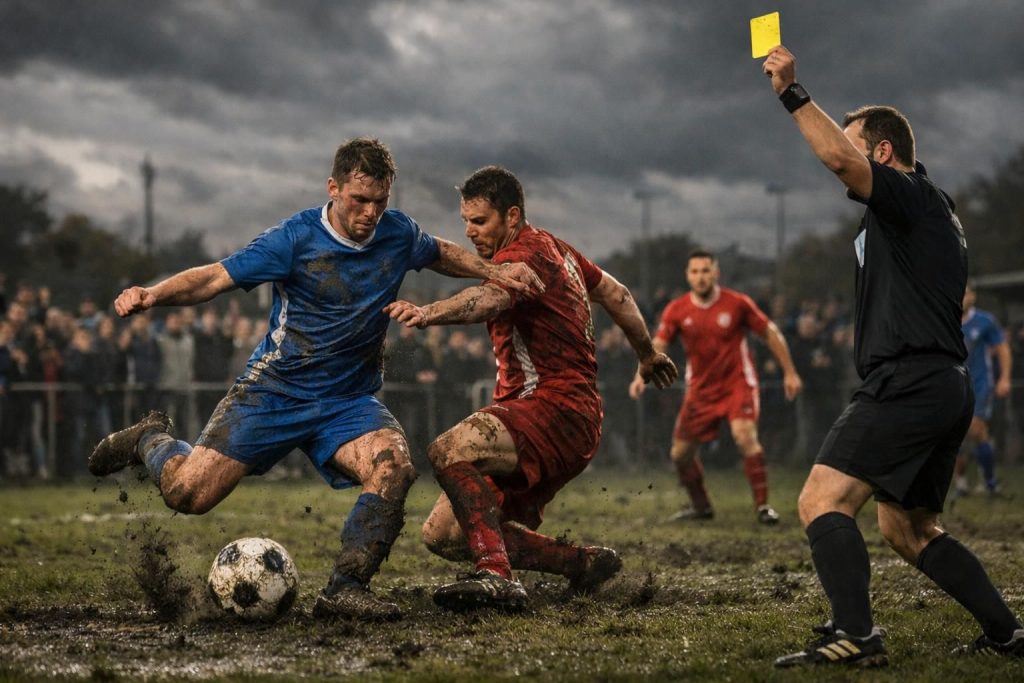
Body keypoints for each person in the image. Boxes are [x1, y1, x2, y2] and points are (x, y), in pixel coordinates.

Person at [87, 138, 541, 621]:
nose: (370, 213)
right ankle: (151, 440)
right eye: (358, 200)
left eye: (380, 202)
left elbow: (437, 252)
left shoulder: (397, 232)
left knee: (394, 467)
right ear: (334, 188)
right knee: (187, 495)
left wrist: (493, 269)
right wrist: (152, 295)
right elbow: (214, 278)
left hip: (347, 400)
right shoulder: (294, 239)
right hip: (275, 392)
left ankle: (346, 587)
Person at [763, 46, 1023, 667]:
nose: (847, 160)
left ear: (882, 152)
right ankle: (1008, 633)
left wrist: (792, 94)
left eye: (859, 148)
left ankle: (857, 635)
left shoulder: (909, 192)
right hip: (941, 382)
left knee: (820, 501)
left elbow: (836, 159)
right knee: (907, 529)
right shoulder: (916, 210)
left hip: (910, 379)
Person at [385, 165, 678, 610]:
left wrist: (429, 313)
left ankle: (497, 577)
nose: (470, 232)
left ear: (512, 216)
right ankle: (580, 564)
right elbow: (618, 294)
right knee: (442, 534)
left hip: (553, 408)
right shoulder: (560, 250)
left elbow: (492, 297)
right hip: (568, 416)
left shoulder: (525, 253)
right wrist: (647, 354)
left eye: (480, 221)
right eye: (465, 222)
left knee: (450, 450)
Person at [628, 249, 802, 525]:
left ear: (716, 273)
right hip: (700, 391)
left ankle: (763, 506)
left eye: (706, 270)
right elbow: (659, 345)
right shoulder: (677, 309)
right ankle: (701, 507)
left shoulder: (737, 304)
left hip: (738, 384)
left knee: (744, 436)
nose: (701, 277)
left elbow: (770, 333)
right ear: (688, 275)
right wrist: (641, 376)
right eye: (695, 271)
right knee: (680, 455)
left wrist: (790, 372)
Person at [954, 282, 1012, 497]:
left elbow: (1002, 349)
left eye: (966, 293)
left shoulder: (985, 321)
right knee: (954, 435)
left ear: (973, 297)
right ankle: (961, 484)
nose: (963, 297)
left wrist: (1004, 378)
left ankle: (990, 482)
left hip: (980, 383)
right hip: (953, 386)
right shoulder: (945, 322)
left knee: (976, 429)